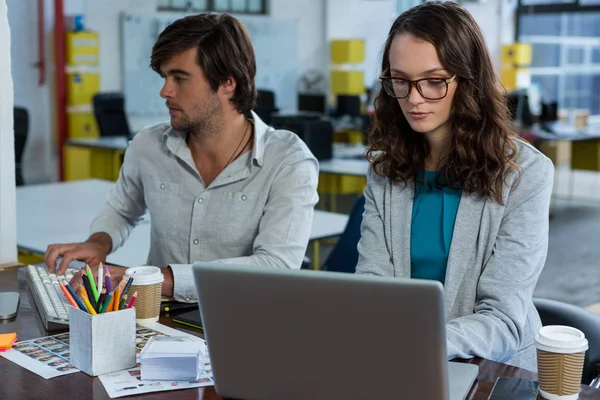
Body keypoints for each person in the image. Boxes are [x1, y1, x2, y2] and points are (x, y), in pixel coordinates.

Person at [45, 13, 319, 302]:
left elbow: (275, 266)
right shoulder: (147, 146)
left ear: (227, 83)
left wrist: (150, 279)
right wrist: (98, 242)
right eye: (165, 77)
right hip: (157, 318)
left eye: (180, 78)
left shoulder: (288, 161)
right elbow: (122, 210)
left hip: (244, 319)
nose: (165, 91)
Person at [355, 1, 553, 371]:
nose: (413, 98)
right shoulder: (385, 169)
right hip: (402, 363)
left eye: (433, 81)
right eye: (400, 80)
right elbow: (373, 286)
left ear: (469, 80)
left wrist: (417, 344)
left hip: (495, 371)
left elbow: (502, 320)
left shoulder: (525, 173)